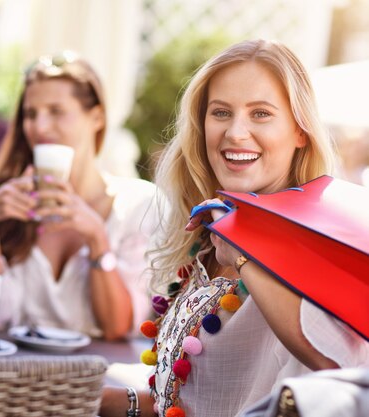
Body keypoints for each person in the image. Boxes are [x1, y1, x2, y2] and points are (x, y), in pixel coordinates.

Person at [100, 39, 369, 417]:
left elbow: (341, 371)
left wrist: (243, 255)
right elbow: (193, 402)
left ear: (299, 131)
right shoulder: (206, 234)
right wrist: (112, 402)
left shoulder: (316, 242)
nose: (235, 133)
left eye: (260, 113)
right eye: (221, 112)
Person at [0, 51, 156, 340]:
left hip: (93, 379)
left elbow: (117, 328)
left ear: (96, 117)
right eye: (30, 114)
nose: (39, 127)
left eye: (56, 111)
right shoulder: (0, 200)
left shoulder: (139, 205)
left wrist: (98, 239)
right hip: (8, 373)